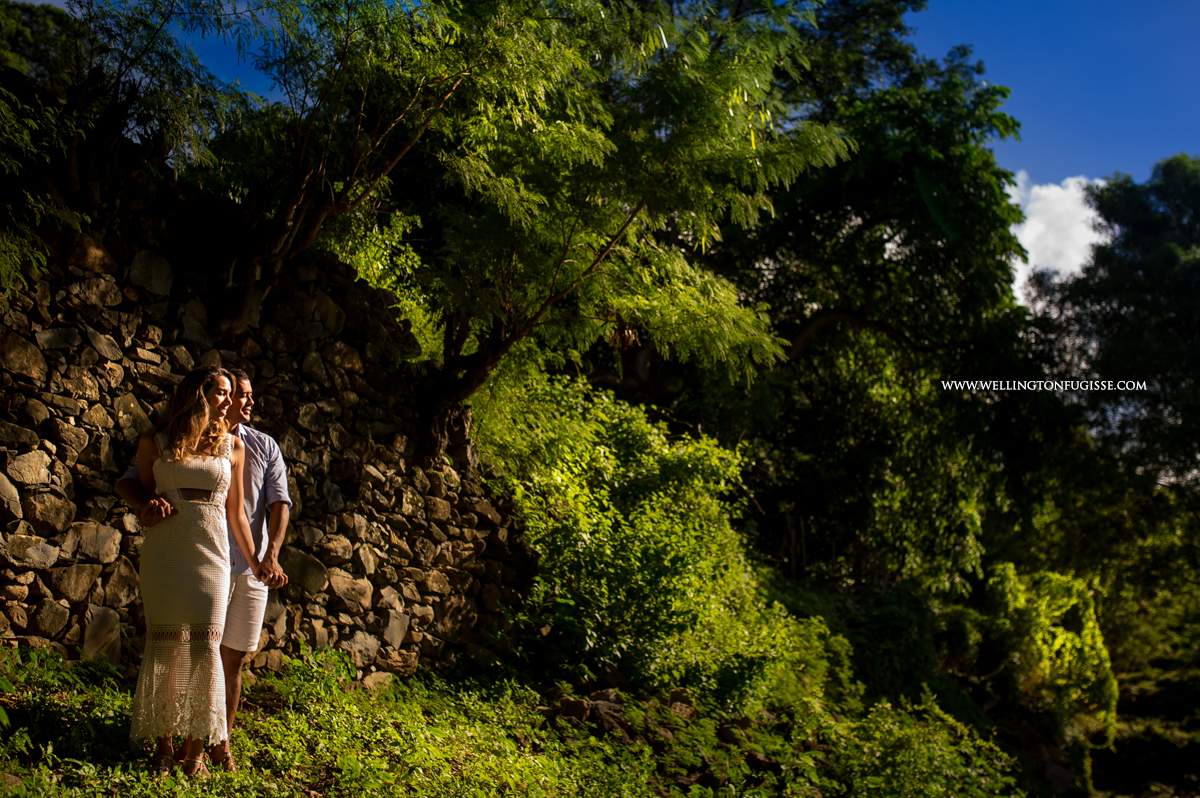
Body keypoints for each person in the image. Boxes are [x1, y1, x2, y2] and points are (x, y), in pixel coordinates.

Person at [117, 367, 292, 774]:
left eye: (232, 393)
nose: (230, 401)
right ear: (199, 394)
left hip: (213, 556)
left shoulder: (234, 446)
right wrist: (149, 508)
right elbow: (144, 496)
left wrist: (259, 565)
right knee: (165, 648)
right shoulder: (154, 441)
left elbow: (236, 517)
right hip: (166, 553)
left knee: (205, 651)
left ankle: (196, 752)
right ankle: (163, 746)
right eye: (222, 392)